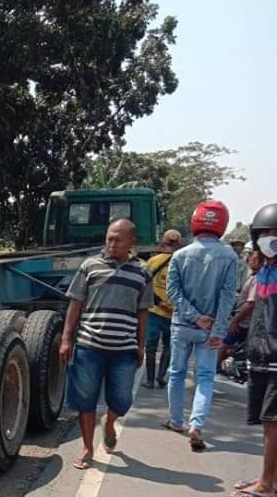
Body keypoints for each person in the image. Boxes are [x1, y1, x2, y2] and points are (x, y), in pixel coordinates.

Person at [60, 219, 153, 469]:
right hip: (89, 346)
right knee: (85, 400)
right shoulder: (90, 266)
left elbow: (143, 311)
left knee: (122, 400)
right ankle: (87, 448)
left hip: (124, 350)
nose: (112, 243)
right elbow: (75, 302)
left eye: (118, 239)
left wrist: (141, 345)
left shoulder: (143, 272)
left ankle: (110, 422)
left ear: (132, 241)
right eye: (109, 238)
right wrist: (67, 339)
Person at [164, 200, 238, 452]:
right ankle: (196, 425)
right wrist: (217, 329)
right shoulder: (230, 256)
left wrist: (194, 316)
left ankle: (176, 421)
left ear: (195, 222)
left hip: (182, 326)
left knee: (176, 373)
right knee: (205, 378)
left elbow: (172, 292)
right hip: (210, 331)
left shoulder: (179, 255)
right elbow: (229, 297)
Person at [230, 204, 277, 497]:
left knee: (273, 422)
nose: (270, 238)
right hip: (260, 354)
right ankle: (267, 477)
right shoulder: (264, 271)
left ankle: (266, 486)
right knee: (266, 421)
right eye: (265, 233)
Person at [142, 229, 182, 389]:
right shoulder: (182, 262)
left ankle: (150, 380)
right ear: (179, 244)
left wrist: (159, 302)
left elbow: (144, 284)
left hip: (154, 311)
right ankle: (161, 376)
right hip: (173, 313)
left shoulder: (153, 261)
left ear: (163, 242)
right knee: (169, 346)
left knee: (151, 347)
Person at [218, 243, 261, 370]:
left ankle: (214, 368)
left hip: (245, 321)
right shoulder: (252, 275)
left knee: (224, 343)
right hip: (244, 318)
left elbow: (250, 303)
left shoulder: (258, 278)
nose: (249, 259)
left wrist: (235, 321)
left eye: (252, 256)